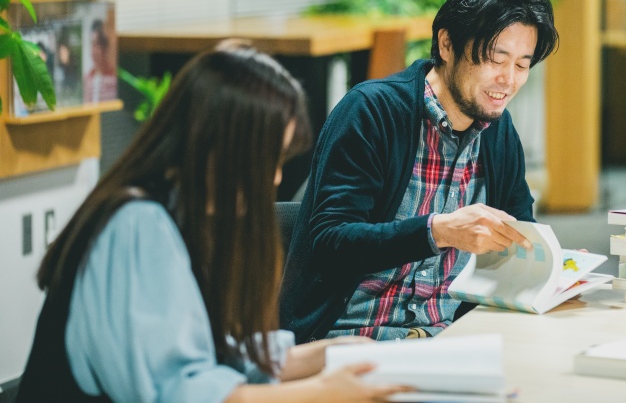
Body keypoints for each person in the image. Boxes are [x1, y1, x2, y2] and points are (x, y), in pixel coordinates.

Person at [16, 41, 410, 402]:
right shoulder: (138, 224)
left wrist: (320, 355)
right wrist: (321, 391)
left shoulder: (182, 215)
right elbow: (181, 390)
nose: (273, 178)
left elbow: (204, 351)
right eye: (267, 158)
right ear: (223, 147)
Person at [280, 0, 559, 343]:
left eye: (522, 66)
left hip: (444, 338)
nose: (507, 80)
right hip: (350, 336)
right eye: (496, 59)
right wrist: (438, 231)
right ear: (446, 44)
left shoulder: (498, 131)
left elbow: (519, 231)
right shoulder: (372, 112)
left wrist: (552, 266)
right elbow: (331, 242)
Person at [83, 18, 118, 103]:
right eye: (92, 44)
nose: (94, 51)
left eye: (98, 45)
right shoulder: (88, 78)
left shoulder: (114, 78)